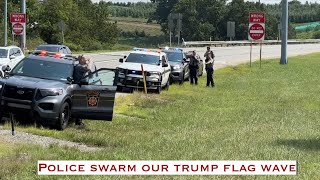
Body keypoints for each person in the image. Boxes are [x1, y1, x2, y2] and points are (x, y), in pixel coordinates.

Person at [73, 55, 93, 126]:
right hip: (80, 86)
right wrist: (90, 61)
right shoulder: (79, 67)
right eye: (85, 58)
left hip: (83, 86)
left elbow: (90, 72)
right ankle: (78, 121)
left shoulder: (82, 65)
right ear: (81, 59)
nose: (87, 59)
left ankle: (79, 120)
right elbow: (88, 68)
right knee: (80, 104)